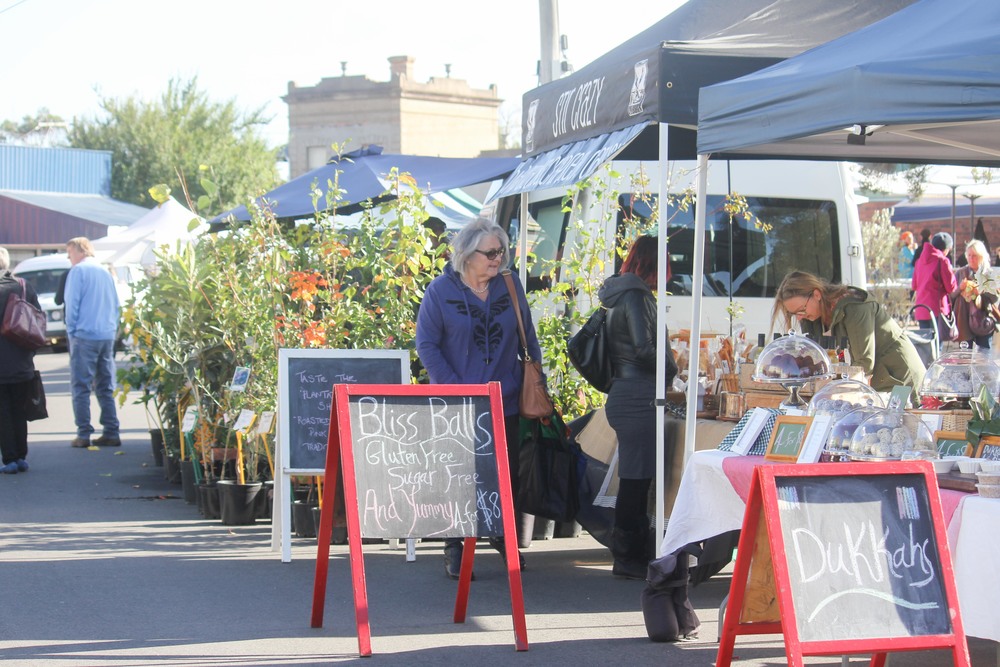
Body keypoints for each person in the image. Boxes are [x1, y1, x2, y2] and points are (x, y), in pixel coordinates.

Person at [416, 217, 539, 579]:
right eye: (490, 253)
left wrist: (536, 379)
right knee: (457, 477)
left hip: (506, 399)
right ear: (468, 254)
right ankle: (454, 545)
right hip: (456, 403)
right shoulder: (440, 291)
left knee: (505, 476)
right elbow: (427, 346)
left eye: (501, 251)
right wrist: (456, 388)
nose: (497, 259)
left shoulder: (510, 285)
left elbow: (527, 338)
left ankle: (504, 538)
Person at [598, 236, 678, 580]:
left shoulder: (620, 293)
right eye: (668, 267)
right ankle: (627, 554)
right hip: (637, 396)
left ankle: (629, 550)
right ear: (655, 264)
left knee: (635, 476)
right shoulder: (636, 296)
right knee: (635, 478)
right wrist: (672, 368)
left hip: (626, 393)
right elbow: (645, 347)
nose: (670, 276)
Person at [773, 270, 925, 399]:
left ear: (817, 294)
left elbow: (864, 363)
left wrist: (834, 392)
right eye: (794, 314)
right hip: (876, 382)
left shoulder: (855, 307)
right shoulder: (812, 316)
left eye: (802, 309)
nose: (799, 317)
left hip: (899, 377)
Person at [64, 237, 121, 448]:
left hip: (84, 335)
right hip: (106, 334)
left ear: (79, 250)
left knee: (81, 386)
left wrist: (71, 331)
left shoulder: (78, 271)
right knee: (105, 385)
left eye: (69, 253)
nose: (69, 258)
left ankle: (84, 433)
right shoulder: (104, 272)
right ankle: (111, 431)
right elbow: (115, 305)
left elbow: (72, 305)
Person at [0, 248, 40, 474]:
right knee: (18, 409)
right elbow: (37, 318)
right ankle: (22, 456)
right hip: (22, 358)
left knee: (2, 411)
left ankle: (10, 459)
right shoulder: (23, 286)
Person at [912, 232, 958, 341]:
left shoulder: (919, 261)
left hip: (921, 309)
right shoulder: (942, 260)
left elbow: (914, 285)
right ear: (946, 249)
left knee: (926, 346)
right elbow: (951, 287)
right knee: (938, 345)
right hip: (937, 309)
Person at [951, 239, 997, 350]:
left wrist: (981, 291)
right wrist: (960, 289)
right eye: (969, 255)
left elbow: (995, 299)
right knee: (965, 356)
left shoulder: (988, 273)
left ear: (981, 256)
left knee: (984, 356)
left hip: (983, 321)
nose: (971, 259)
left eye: (975, 255)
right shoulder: (961, 273)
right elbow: (950, 296)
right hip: (964, 320)